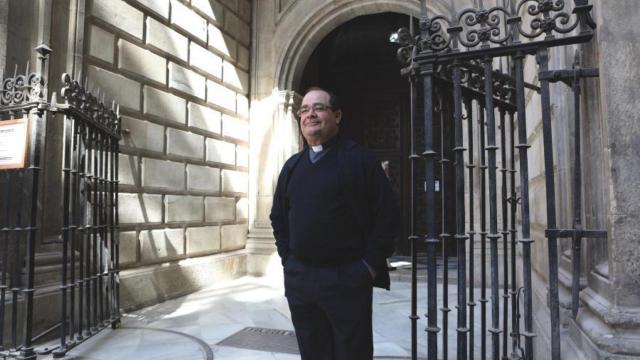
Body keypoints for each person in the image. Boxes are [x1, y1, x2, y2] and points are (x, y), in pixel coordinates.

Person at [270, 87, 400, 360]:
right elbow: (278, 218)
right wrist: (288, 261)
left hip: (347, 280)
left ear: (337, 115)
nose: (310, 115)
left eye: (318, 108)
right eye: (304, 110)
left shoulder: (360, 159)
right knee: (312, 352)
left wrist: (367, 267)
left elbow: (387, 216)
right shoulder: (292, 166)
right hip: (301, 280)